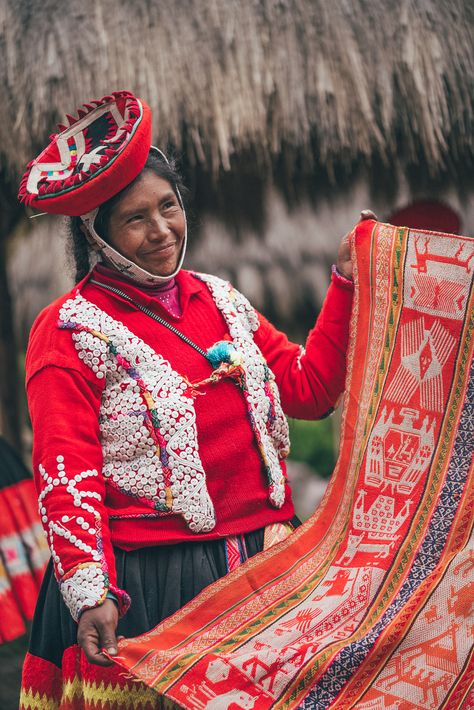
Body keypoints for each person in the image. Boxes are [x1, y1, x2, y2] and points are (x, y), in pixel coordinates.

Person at [18, 91, 369, 706]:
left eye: (169, 207)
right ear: (97, 235)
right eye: (135, 218)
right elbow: (67, 470)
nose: (161, 231)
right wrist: (90, 590)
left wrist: (343, 280)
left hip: (266, 567)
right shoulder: (69, 329)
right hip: (155, 585)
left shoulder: (220, 301)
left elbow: (310, 390)